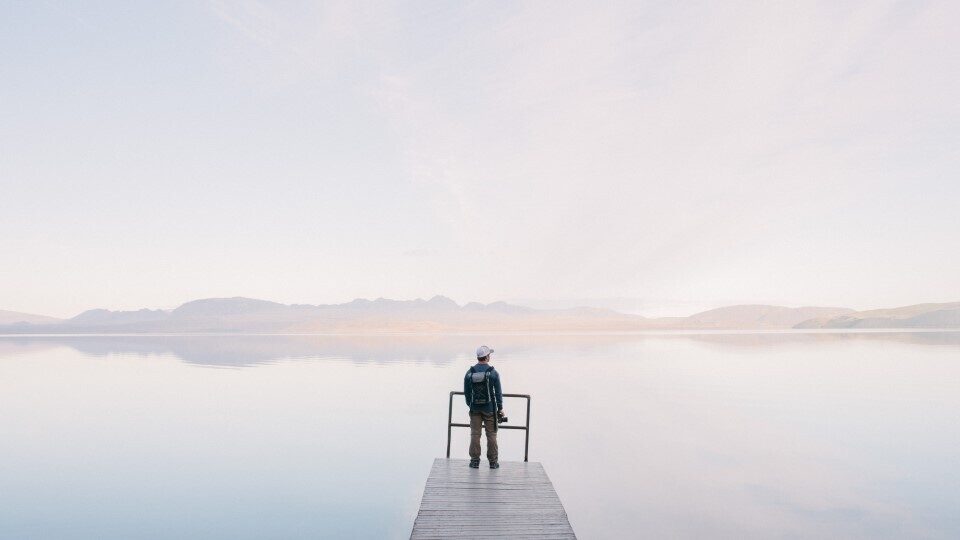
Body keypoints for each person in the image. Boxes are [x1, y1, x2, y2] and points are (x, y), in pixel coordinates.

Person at [464, 345, 504, 469]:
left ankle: (475, 461)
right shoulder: (493, 372)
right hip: (489, 409)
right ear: (487, 357)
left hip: (474, 408)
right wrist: (500, 408)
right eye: (489, 355)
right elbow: (498, 393)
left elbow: (467, 392)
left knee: (475, 434)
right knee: (491, 435)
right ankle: (493, 462)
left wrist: (470, 404)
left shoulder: (470, 372)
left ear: (478, 357)